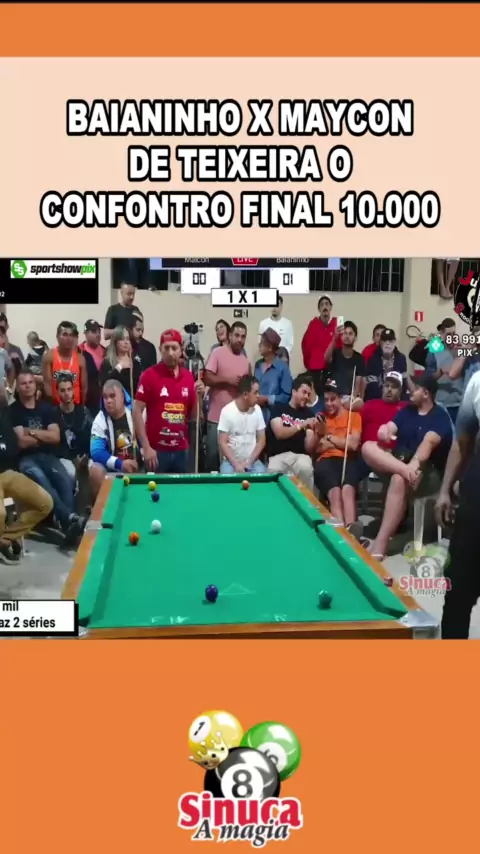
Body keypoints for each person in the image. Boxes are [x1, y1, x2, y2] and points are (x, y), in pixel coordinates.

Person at [361, 374, 453, 560]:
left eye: (415, 388)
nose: (409, 391)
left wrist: (413, 466)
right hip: (403, 464)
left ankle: (380, 545)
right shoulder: (407, 411)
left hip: (428, 472)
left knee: (398, 479)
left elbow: (427, 445)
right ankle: (404, 472)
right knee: (368, 447)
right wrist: (384, 432)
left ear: (426, 393)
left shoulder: (440, 416)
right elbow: (390, 427)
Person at [10, 370, 85, 546]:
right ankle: (69, 519)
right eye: (23, 383)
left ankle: (67, 525)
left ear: (35, 385)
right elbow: (21, 442)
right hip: (26, 459)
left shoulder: (46, 409)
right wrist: (43, 436)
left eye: (30, 382)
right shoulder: (13, 411)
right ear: (18, 388)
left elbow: (55, 437)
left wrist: (31, 432)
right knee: (42, 480)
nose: (27, 386)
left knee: (65, 480)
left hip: (48, 455)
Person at [436, 371, 480, 638]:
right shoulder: (477, 381)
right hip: (476, 494)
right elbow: (462, 442)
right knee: (458, 588)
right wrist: (444, 491)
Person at [133, 329, 204, 474]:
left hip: (182, 451)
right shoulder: (148, 375)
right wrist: (146, 447)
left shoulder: (189, 377)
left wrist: (199, 396)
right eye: (166, 348)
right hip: (156, 452)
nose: (170, 353)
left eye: (174, 348)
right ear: (160, 349)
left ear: (181, 350)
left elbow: (194, 416)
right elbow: (136, 411)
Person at [0, 401, 53, 564]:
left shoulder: (3, 413)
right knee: (0, 513)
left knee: (45, 503)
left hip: (7, 472)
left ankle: (5, 538)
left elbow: (13, 447)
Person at [313, 379, 362, 529]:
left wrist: (328, 437)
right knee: (335, 493)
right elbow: (319, 448)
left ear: (341, 398)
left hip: (348, 459)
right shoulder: (321, 418)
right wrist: (343, 441)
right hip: (326, 460)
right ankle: (341, 532)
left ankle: (351, 528)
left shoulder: (354, 416)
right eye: (326, 400)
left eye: (333, 399)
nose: (329, 403)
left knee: (347, 491)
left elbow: (353, 445)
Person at [204, 322, 251, 472]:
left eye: (243, 336)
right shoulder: (217, 353)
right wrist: (227, 380)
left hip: (236, 423)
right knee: (212, 461)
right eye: (236, 335)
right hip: (216, 418)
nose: (239, 339)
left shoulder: (245, 361)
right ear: (230, 336)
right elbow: (207, 378)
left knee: (232, 464)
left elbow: (248, 391)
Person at [266, 375, 321, 490]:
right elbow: (279, 433)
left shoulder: (309, 414)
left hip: (300, 457)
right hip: (278, 456)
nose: (306, 397)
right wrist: (301, 425)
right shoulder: (278, 408)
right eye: (304, 392)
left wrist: (318, 434)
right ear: (294, 391)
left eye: (308, 394)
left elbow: (308, 447)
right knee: (274, 471)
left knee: (305, 468)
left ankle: (306, 500)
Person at [90, 379, 138, 499]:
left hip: (138, 467)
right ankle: (101, 508)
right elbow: (96, 452)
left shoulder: (136, 412)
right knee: (95, 470)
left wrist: (141, 457)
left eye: (112, 396)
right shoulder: (100, 420)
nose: (109, 401)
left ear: (122, 397)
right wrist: (120, 464)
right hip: (113, 471)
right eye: (105, 397)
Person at [357, 371, 408, 480]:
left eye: (394, 387)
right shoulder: (369, 405)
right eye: (387, 385)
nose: (389, 389)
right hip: (369, 456)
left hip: (395, 456)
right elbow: (357, 430)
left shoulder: (406, 408)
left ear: (400, 391)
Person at [218, 375, 266, 474]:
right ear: (245, 395)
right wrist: (236, 464)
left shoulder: (258, 410)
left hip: (253, 461)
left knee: (262, 472)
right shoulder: (227, 411)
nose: (258, 396)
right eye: (255, 392)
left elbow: (261, 440)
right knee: (227, 475)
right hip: (231, 462)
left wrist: (249, 462)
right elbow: (223, 442)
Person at [301, 295, 343, 395]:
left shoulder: (337, 324)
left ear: (331, 307)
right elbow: (305, 346)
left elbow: (342, 346)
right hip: (316, 370)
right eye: (322, 305)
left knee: (332, 397)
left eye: (327, 304)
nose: (325, 307)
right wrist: (309, 364)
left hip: (333, 370)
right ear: (319, 309)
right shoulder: (313, 325)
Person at [55, 376, 93, 485]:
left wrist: (86, 456)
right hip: (64, 458)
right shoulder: (53, 413)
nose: (66, 393)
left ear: (73, 390)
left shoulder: (83, 411)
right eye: (63, 390)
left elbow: (93, 435)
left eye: (69, 389)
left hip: (84, 455)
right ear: (57, 392)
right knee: (71, 474)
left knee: (94, 471)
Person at [425, 317, 464, 424]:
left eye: (454, 334)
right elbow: (428, 380)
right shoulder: (434, 349)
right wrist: (441, 372)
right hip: (441, 404)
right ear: (442, 334)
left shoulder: (461, 349)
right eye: (448, 334)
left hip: (460, 403)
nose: (452, 337)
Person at [42, 321, 87, 406]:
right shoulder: (49, 356)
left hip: (75, 406)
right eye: (65, 335)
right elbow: (47, 385)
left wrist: (82, 407)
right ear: (57, 337)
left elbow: (84, 388)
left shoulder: (80, 359)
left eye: (71, 335)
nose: (68, 338)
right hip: (56, 406)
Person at [254, 328, 292, 425]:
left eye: (262, 342)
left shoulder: (282, 368)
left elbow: (286, 396)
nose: (259, 345)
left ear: (270, 347)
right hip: (256, 414)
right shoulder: (257, 365)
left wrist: (267, 399)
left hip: (274, 417)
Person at [325, 320, 366, 410]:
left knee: (359, 403)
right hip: (334, 395)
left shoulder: (359, 358)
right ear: (341, 336)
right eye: (345, 333)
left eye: (350, 334)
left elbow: (358, 383)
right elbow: (326, 359)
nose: (347, 336)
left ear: (355, 338)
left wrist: (352, 399)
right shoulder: (335, 353)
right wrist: (334, 338)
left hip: (349, 398)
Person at [365, 327, 408, 401]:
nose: (387, 343)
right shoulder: (373, 359)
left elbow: (403, 383)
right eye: (384, 341)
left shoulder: (401, 359)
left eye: (390, 341)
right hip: (378, 399)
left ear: (394, 343)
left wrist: (394, 397)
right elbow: (372, 386)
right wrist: (385, 397)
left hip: (397, 398)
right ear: (380, 343)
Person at [99, 326, 143, 398]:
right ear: (115, 342)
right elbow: (104, 385)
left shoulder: (135, 363)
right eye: (122, 339)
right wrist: (119, 367)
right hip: (114, 402)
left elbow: (139, 387)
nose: (126, 342)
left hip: (131, 403)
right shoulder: (107, 363)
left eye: (127, 339)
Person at [79, 320, 105, 416]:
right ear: (86, 334)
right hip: (86, 402)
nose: (98, 335)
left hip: (104, 400)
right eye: (94, 332)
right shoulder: (79, 352)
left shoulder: (106, 352)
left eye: (99, 331)